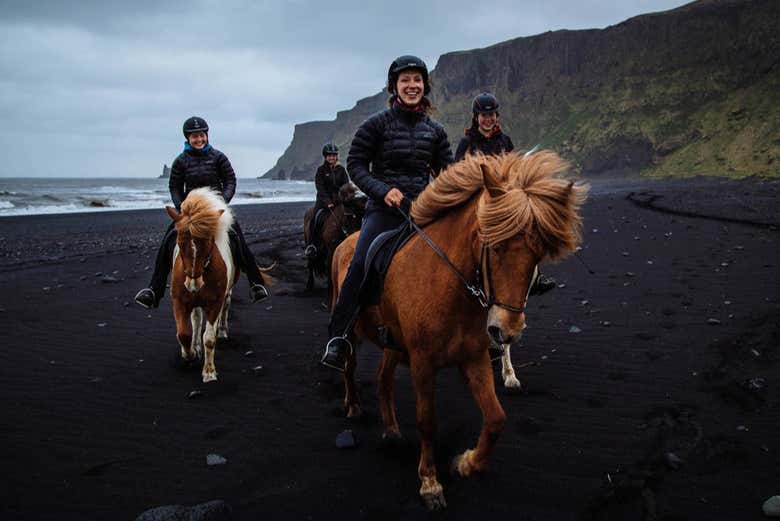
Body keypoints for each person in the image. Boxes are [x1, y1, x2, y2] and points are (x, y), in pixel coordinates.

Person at [321, 55, 454, 370]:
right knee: (360, 263)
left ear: (425, 85)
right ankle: (337, 337)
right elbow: (355, 165)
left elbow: (448, 173)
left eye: (417, 80)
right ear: (394, 86)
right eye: (405, 80)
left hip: (423, 212)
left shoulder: (435, 131)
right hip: (383, 212)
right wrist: (383, 191)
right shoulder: (375, 124)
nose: (412, 85)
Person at [134, 116, 268, 309]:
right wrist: (181, 208)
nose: (199, 139)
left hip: (214, 210)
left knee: (237, 239)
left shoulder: (218, 157)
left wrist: (222, 200)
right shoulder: (180, 161)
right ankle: (153, 290)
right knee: (168, 241)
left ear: (206, 136)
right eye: (194, 136)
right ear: (188, 139)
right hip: (190, 212)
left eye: (201, 135)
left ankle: (256, 284)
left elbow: (230, 180)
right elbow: (174, 186)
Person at [455, 92, 557, 296]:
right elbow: (455, 172)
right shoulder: (467, 142)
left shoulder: (505, 141)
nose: (488, 119)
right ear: (476, 117)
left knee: (526, 229)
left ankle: (535, 276)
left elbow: (514, 170)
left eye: (492, 114)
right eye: (484, 115)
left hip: (503, 199)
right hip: (476, 200)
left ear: (497, 116)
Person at [304, 143, 350, 258]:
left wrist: (345, 197)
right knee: (315, 219)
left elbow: (345, 186)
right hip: (323, 202)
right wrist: (327, 201)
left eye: (333, 155)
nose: (331, 157)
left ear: (336, 156)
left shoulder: (341, 170)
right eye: (329, 155)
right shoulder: (321, 170)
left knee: (351, 216)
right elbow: (320, 188)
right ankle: (312, 245)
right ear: (325, 156)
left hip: (338, 201)